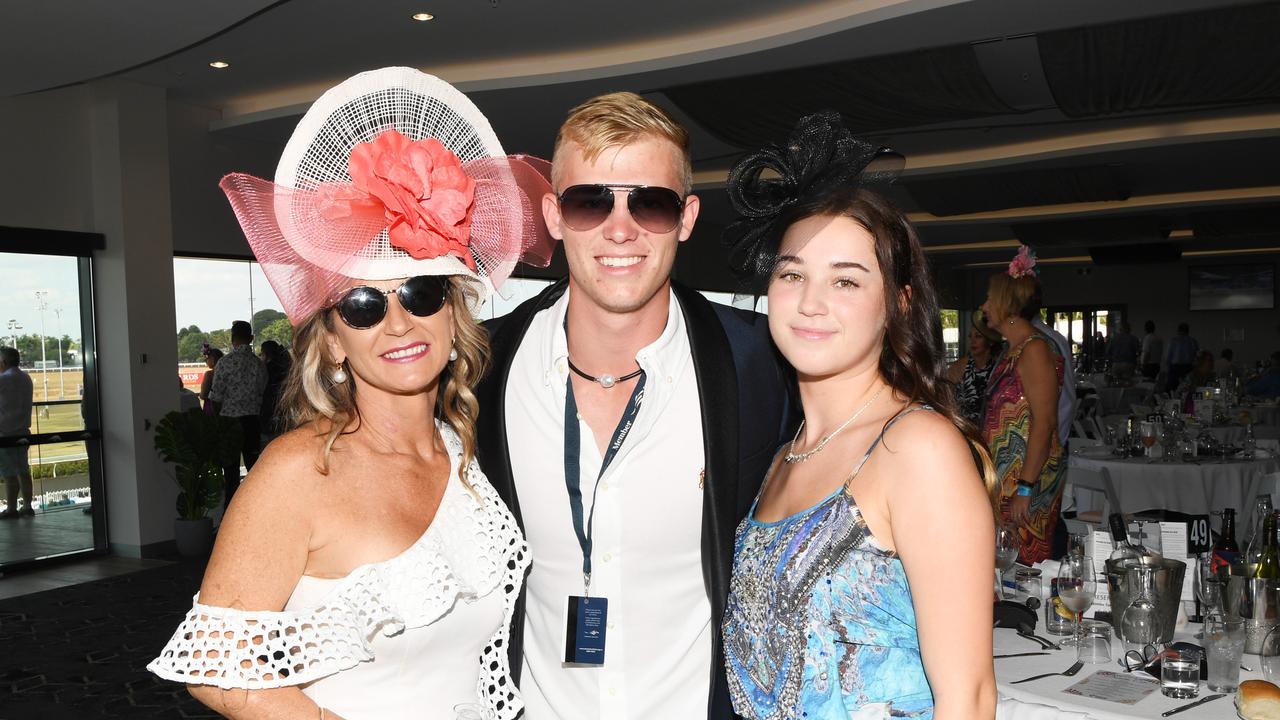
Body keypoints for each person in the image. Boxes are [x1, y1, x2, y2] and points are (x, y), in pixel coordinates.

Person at [149, 67, 553, 719]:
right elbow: (216, 665)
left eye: (421, 293)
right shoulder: (299, 472)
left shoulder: (467, 453)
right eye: (364, 304)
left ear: (453, 314)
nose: (398, 322)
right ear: (333, 338)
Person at [475, 92, 791, 720]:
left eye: (650, 202)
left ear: (687, 217)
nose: (620, 228)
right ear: (554, 216)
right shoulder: (481, 369)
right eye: (590, 201)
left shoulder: (762, 366)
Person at [718, 112, 997, 719]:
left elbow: (969, 699)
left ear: (896, 305)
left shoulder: (917, 448)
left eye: (845, 282)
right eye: (793, 274)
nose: (811, 302)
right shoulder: (783, 452)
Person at [981, 247, 1066, 565]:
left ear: (1008, 305)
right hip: (1006, 480)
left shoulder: (1035, 350)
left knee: (1024, 565)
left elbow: (1044, 423)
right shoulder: (1014, 350)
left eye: (990, 299)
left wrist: (1026, 488)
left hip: (1026, 483)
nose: (984, 306)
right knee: (1004, 563)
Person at [208, 320, 267, 509]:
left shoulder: (224, 363)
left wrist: (220, 420)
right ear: (251, 338)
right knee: (254, 472)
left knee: (231, 474)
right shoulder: (259, 364)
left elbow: (215, 397)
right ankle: (258, 511)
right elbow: (261, 392)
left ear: (232, 339)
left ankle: (230, 516)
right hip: (251, 422)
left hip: (229, 423)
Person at [946, 310, 1003, 426]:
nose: (972, 341)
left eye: (978, 336)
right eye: (970, 336)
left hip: (992, 431)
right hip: (965, 429)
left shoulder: (1000, 368)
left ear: (990, 341)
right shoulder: (959, 367)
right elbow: (945, 401)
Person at [0, 347, 35, 519]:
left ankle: (11, 509)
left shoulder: (3, 379)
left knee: (9, 473)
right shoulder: (26, 378)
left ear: (3, 362)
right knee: (23, 470)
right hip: (23, 430)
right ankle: (27, 506)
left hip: (5, 432)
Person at [258, 339, 292, 440]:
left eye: (262, 354)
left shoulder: (267, 369)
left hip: (269, 409)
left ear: (266, 354)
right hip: (284, 408)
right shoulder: (286, 365)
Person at [1164, 322, 1199, 392]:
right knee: (1187, 390)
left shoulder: (1173, 341)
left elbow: (1168, 357)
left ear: (1178, 331)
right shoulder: (1193, 341)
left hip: (1175, 368)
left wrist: (1168, 370)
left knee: (1171, 390)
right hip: (1188, 368)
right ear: (1188, 331)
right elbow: (1196, 357)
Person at [198, 345, 223, 416]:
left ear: (212, 359)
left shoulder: (209, 374)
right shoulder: (227, 372)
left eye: (207, 359)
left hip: (212, 408)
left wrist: (200, 394)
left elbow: (203, 396)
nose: (206, 361)